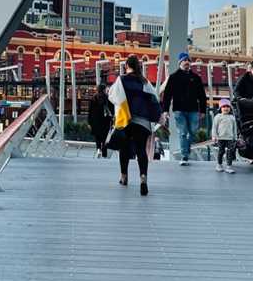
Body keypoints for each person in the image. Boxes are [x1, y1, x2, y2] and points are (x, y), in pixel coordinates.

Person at [109, 55, 160, 196]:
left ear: (126, 66)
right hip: (142, 122)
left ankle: (124, 177)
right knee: (141, 150)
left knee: (124, 149)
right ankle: (143, 178)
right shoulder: (145, 82)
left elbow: (112, 96)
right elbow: (154, 100)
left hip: (126, 121)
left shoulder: (122, 79)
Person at [161, 52, 208, 166]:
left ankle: (186, 149)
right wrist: (165, 110)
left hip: (193, 110)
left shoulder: (196, 78)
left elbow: (202, 95)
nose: (187, 62)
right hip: (179, 110)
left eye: (188, 60)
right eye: (184, 60)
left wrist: (202, 110)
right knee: (183, 133)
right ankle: (184, 156)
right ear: (180, 62)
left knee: (192, 132)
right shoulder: (173, 77)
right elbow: (167, 95)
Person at [211, 98, 238, 173]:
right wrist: (214, 136)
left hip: (230, 138)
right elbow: (214, 128)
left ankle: (229, 166)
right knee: (221, 151)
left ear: (230, 108)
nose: (226, 108)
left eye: (227, 106)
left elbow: (234, 128)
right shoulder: (218, 117)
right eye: (224, 107)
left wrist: (235, 137)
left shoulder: (232, 117)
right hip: (220, 138)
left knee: (230, 152)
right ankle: (219, 165)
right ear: (220, 108)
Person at [87, 84, 113, 158]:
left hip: (95, 121)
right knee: (105, 137)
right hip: (106, 120)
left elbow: (90, 111)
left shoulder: (93, 99)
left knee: (97, 137)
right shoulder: (107, 98)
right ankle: (104, 153)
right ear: (104, 90)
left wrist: (89, 122)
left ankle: (98, 149)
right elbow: (112, 109)